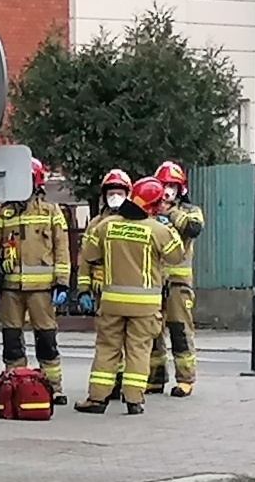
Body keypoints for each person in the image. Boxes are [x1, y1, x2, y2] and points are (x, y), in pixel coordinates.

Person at [73, 176, 185, 415]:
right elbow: (177, 256)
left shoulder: (107, 226)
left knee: (106, 349)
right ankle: (134, 401)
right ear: (153, 205)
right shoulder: (158, 230)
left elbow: (90, 253)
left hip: (112, 302)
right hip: (145, 306)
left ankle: (96, 400)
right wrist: (170, 228)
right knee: (139, 350)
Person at [0, 157, 72, 404]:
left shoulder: (51, 212)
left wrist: (62, 282)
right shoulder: (5, 213)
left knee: (46, 339)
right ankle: (15, 384)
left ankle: (53, 388)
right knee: (11, 340)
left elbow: (61, 249)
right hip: (10, 288)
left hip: (42, 290)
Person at [146, 160, 207, 398]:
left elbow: (194, 228)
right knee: (152, 333)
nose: (168, 189)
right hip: (153, 281)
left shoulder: (190, 211)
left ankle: (185, 379)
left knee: (180, 331)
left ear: (181, 188)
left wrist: (169, 211)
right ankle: (155, 378)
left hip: (178, 284)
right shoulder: (149, 212)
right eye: (164, 184)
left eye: (173, 185)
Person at [77, 169, 134, 400]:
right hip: (105, 294)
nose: (115, 196)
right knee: (109, 341)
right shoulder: (95, 224)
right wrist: (84, 289)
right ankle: (111, 384)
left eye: (119, 192)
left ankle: (126, 385)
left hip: (129, 291)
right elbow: (86, 259)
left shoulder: (135, 221)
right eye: (111, 192)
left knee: (131, 341)